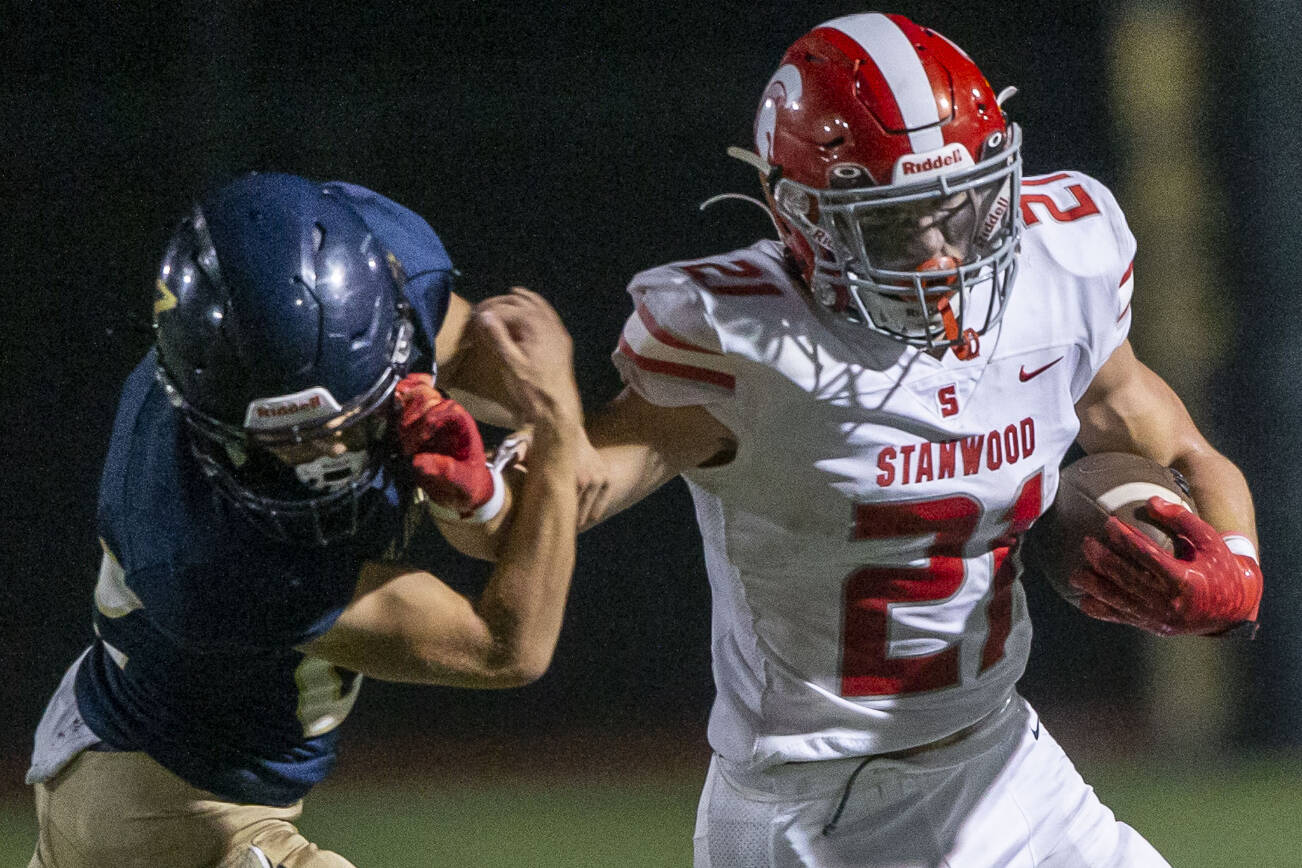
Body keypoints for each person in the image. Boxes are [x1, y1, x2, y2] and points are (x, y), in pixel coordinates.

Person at [467, 12, 1264, 867]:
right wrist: (527, 437)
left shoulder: (1059, 265)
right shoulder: (748, 345)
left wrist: (1235, 564)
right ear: (799, 216)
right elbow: (555, 502)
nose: (938, 258)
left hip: (1005, 761)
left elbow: (1178, 446)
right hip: (817, 813)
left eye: (958, 212)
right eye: (893, 224)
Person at [25, 172, 584, 867]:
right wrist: (556, 420)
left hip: (131, 751)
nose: (324, 452)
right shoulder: (206, 556)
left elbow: (478, 355)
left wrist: (480, 498)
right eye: (278, 441)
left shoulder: (371, 275)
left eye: (340, 422)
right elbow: (505, 646)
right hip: (170, 815)